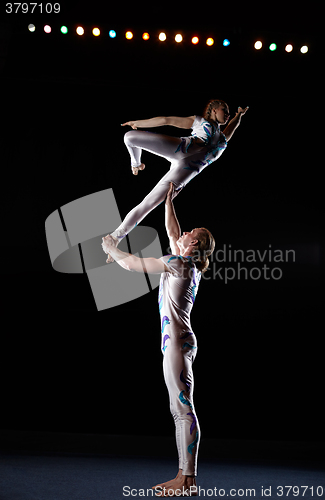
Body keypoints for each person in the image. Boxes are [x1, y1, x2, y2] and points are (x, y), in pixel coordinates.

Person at [101, 182, 215, 497]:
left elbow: (132, 264)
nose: (184, 231)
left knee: (182, 407)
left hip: (177, 341)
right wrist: (167, 201)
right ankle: (183, 475)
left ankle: (188, 480)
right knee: (177, 407)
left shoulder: (180, 264)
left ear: (195, 244)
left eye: (191, 232)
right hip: (177, 340)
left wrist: (111, 248)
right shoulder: (184, 263)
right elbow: (171, 228)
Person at [105, 99, 248, 262]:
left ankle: (114, 238)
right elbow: (167, 120)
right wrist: (138, 123)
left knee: (148, 204)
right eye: (225, 109)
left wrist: (239, 116)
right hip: (180, 148)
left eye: (229, 111)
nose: (227, 113)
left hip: (182, 173)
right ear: (214, 110)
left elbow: (232, 127)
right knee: (130, 137)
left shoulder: (223, 139)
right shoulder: (200, 122)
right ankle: (136, 164)